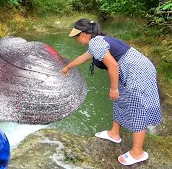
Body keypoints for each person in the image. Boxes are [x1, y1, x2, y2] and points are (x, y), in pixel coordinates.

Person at [61, 18, 162, 166]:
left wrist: (113, 88)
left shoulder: (96, 42)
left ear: (83, 34)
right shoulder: (97, 42)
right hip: (133, 69)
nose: (76, 40)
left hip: (138, 72)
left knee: (136, 107)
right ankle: (114, 134)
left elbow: (113, 66)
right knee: (119, 99)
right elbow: (84, 57)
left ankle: (138, 152)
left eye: (76, 36)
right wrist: (68, 67)